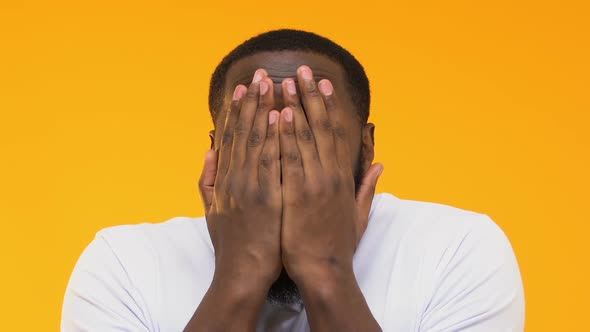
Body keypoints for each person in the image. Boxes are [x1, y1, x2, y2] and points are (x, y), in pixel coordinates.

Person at [61, 29, 525, 331]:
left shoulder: (458, 250)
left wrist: (326, 270)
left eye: (312, 131)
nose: (283, 158)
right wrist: (239, 274)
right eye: (256, 132)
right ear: (218, 149)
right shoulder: (122, 265)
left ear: (366, 147)